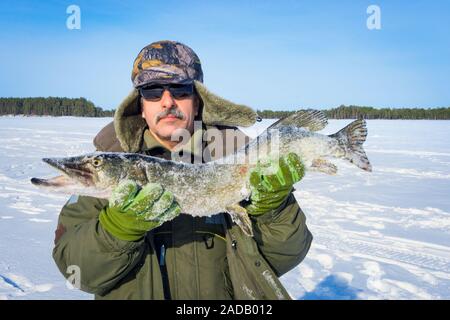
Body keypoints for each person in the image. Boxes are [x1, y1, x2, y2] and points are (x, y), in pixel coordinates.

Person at [52, 40, 313, 300]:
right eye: (152, 91)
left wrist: (275, 209)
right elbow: (78, 274)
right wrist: (117, 229)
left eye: (180, 89)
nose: (167, 101)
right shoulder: (111, 167)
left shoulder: (236, 158)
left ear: (197, 103)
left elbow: (283, 257)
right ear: (141, 106)